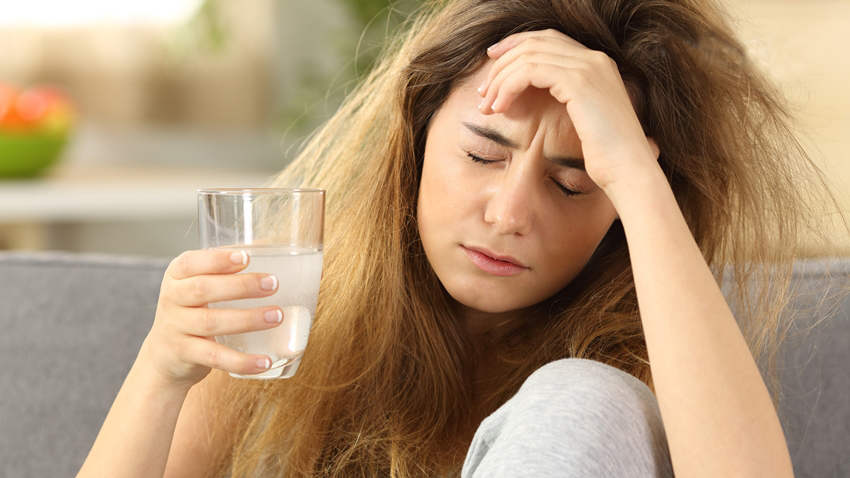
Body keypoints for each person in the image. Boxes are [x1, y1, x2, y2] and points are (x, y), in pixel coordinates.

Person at [78, 0, 840, 476]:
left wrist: (634, 176)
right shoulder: (286, 321)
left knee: (590, 398)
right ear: (414, 139)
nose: (511, 211)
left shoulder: (653, 370)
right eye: (482, 153)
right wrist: (163, 369)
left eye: (576, 181)